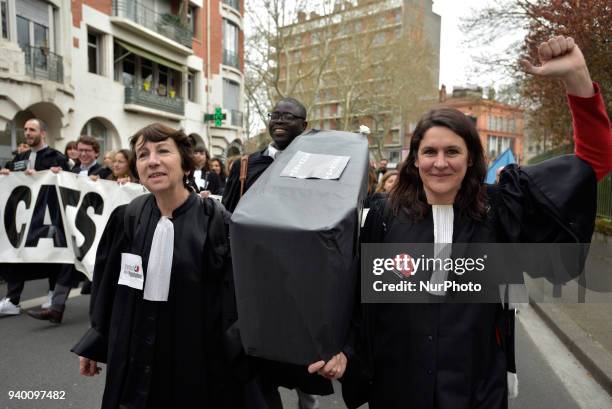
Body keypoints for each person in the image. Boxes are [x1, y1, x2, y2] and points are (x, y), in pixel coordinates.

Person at [309, 36, 612, 409]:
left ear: (471, 159)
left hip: (476, 391)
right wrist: (344, 352)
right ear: (414, 160)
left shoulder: (500, 211)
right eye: (429, 152)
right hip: (397, 391)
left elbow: (592, 165)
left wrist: (577, 79)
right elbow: (359, 305)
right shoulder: (382, 217)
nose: (440, 162)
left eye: (452, 151)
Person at [72, 123, 245, 409]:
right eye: (142, 154)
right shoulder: (127, 217)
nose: (152, 161)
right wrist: (96, 340)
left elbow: (238, 302)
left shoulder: (217, 222)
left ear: (185, 164)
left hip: (196, 363)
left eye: (163, 151)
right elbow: (109, 289)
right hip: (135, 355)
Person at [223, 97, 331, 409]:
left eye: (289, 116)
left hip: (300, 275)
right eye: (275, 115)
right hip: (254, 274)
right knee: (257, 353)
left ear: (304, 125)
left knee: (303, 356)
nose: (280, 121)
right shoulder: (247, 166)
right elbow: (229, 214)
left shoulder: (319, 167)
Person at [0, 118, 69, 316]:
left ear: (43, 133)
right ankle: (13, 300)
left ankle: (51, 292)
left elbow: (69, 182)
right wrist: (6, 174)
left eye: (32, 129)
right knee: (16, 255)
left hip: (48, 217)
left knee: (51, 254)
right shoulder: (19, 158)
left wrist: (59, 174)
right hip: (22, 218)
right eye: (26, 129)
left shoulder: (57, 157)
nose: (28, 133)